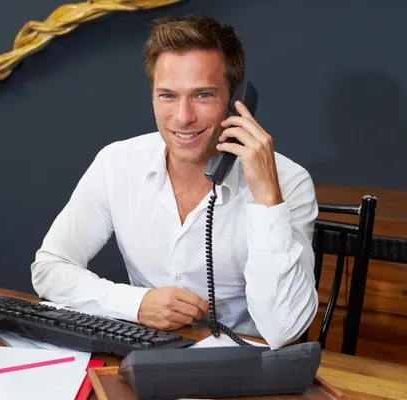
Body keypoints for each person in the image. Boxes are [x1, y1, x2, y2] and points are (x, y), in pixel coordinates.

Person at [30, 15, 318, 348]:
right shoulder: (117, 163)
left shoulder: (289, 182)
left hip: (246, 372)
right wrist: (136, 304)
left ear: (236, 101)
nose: (183, 117)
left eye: (203, 95)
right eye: (167, 95)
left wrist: (267, 197)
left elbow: (284, 330)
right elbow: (50, 268)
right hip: (144, 356)